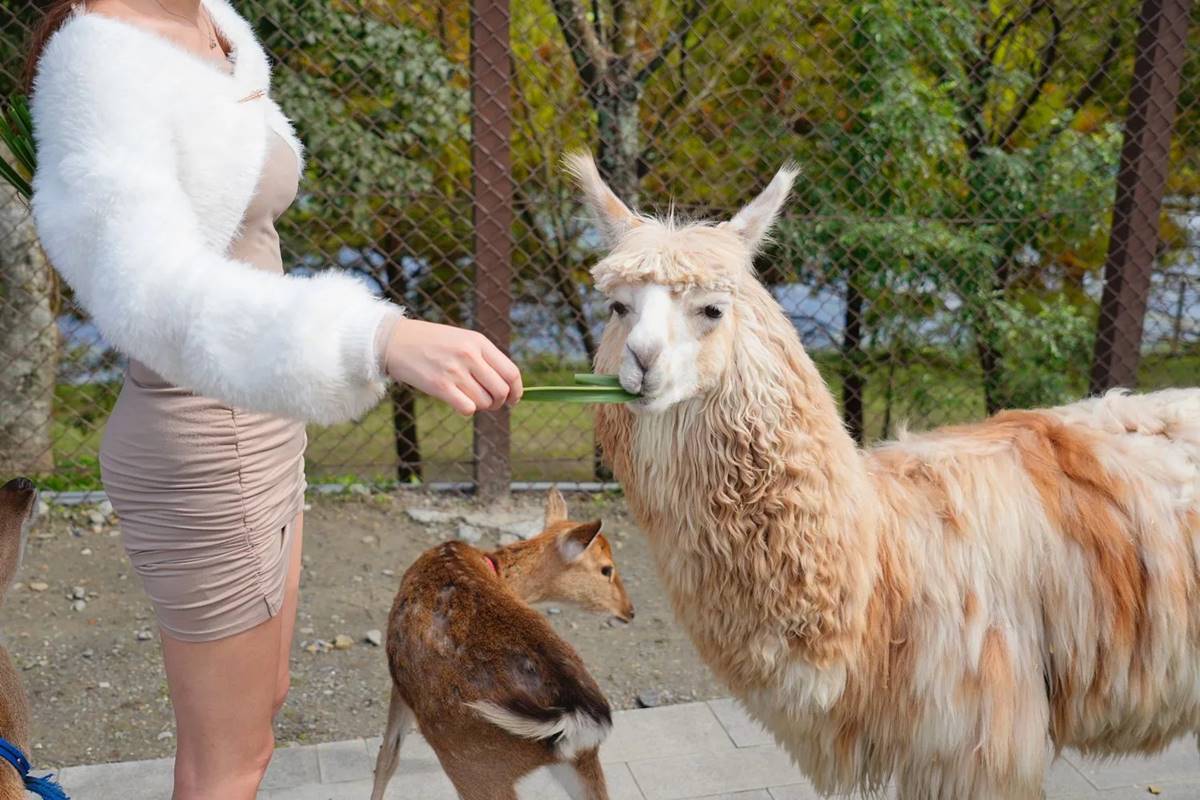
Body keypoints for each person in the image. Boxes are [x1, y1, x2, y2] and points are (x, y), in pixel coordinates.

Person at [25, 1, 523, 797]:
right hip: (203, 434)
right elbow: (147, 290)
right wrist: (374, 338)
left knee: (262, 710)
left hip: (260, 417)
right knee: (232, 761)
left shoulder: (212, 18)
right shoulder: (100, 64)